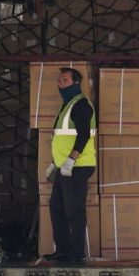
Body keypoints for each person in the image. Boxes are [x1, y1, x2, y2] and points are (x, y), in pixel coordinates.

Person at [42, 68, 96, 265]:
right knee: (57, 206)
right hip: (64, 166)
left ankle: (77, 254)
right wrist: (56, 164)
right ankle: (63, 251)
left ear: (75, 83)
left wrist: (71, 160)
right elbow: (63, 138)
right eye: (58, 81)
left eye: (64, 80)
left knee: (74, 210)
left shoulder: (81, 105)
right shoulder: (67, 105)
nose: (60, 84)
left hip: (77, 166)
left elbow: (83, 135)